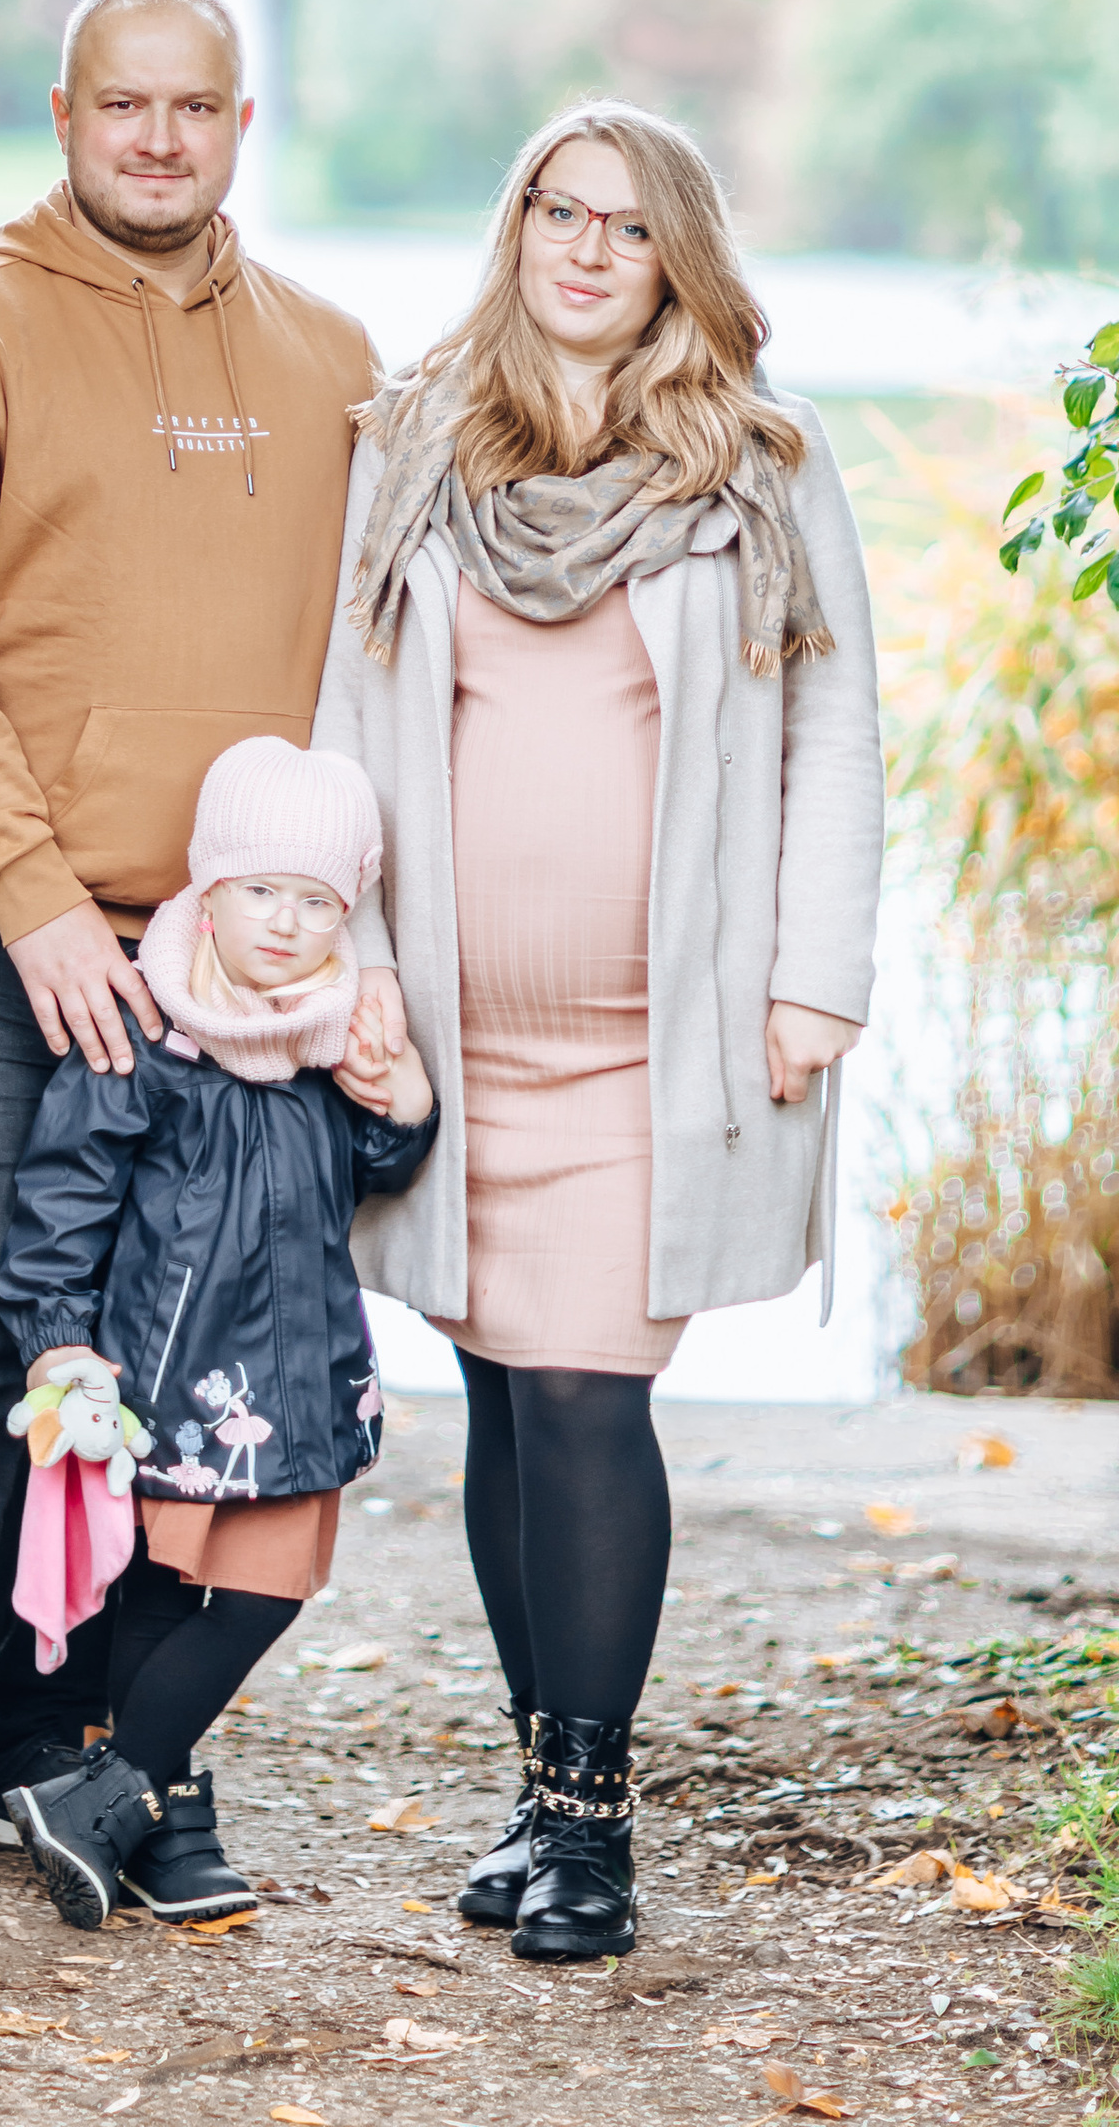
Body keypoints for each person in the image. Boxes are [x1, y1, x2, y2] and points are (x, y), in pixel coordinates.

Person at [0, 0, 391, 1909]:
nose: (154, 138)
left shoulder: (330, 358)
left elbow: (375, 663)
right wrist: (32, 892)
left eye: (192, 109)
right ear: (62, 114)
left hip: (228, 957)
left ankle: (80, 1749)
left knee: (160, 1348)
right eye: (119, 106)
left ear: (236, 127)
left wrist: (339, 947)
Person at [312, 100, 884, 1965]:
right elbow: (348, 716)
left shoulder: (758, 467)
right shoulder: (413, 451)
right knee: (492, 1392)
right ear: (517, 231)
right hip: (457, 1037)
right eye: (556, 212)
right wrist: (348, 969)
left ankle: (594, 1822)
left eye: (624, 229)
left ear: (674, 261)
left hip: (666, 1037)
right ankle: (540, 1787)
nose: (581, 248)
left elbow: (832, 736)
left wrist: (818, 977)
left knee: (583, 1397)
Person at [0, 734, 435, 1929]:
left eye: (317, 901)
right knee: (160, 1591)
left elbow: (369, 1171)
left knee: (264, 1593)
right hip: (175, 1374)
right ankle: (163, 1813)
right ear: (208, 887)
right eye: (260, 892)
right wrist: (55, 1336)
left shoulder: (333, 1031)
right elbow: (64, 1195)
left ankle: (107, 1791)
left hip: (300, 1375)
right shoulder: (143, 1027)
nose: (286, 926)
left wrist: (401, 1105)